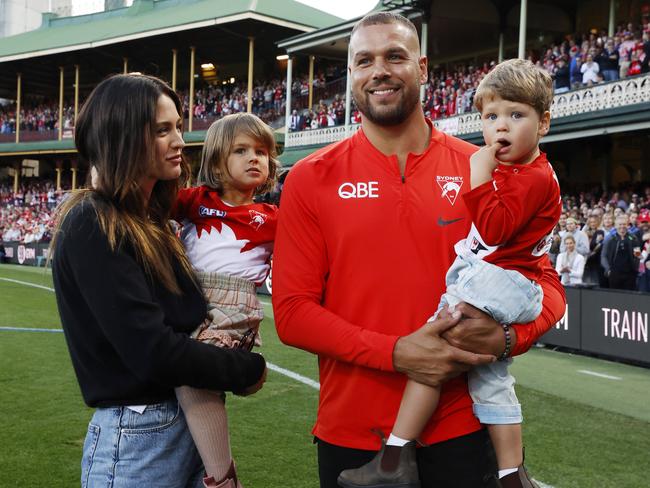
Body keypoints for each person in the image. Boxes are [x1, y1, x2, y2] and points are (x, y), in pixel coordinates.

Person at [272, 12, 565, 488]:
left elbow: (546, 284)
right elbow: (292, 313)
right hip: (354, 433)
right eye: (363, 60)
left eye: (394, 56)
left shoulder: (482, 168)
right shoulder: (310, 177)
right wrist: (396, 353)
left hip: (464, 430)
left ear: (423, 68)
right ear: (350, 75)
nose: (379, 70)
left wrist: (511, 339)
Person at [337, 57, 560, 488]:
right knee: (492, 379)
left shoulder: (527, 176)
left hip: (503, 280)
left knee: (432, 352)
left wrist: (478, 177)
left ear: (544, 123)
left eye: (516, 115)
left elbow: (494, 230)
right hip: (509, 280)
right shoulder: (520, 171)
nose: (501, 127)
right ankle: (513, 475)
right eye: (491, 116)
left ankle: (394, 457)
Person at [50, 74, 267, 488]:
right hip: (137, 438)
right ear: (125, 136)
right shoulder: (93, 221)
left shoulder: (154, 222)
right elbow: (154, 351)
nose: (179, 141)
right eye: (162, 130)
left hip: (182, 426)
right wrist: (246, 368)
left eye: (179, 126)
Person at [172, 113, 279, 487]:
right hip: (190, 296)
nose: (255, 158)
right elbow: (149, 207)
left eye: (262, 152)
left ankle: (222, 477)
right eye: (242, 150)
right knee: (175, 371)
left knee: (193, 375)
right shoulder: (194, 201)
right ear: (217, 161)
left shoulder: (271, 218)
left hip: (235, 306)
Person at [601, 214, 641, 290]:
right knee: (615, 298)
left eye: (624, 224)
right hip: (614, 274)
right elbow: (603, 256)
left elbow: (638, 255)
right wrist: (608, 269)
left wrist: (636, 268)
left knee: (629, 298)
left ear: (627, 225)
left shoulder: (633, 238)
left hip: (630, 274)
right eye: (620, 224)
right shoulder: (609, 239)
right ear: (615, 226)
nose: (622, 226)